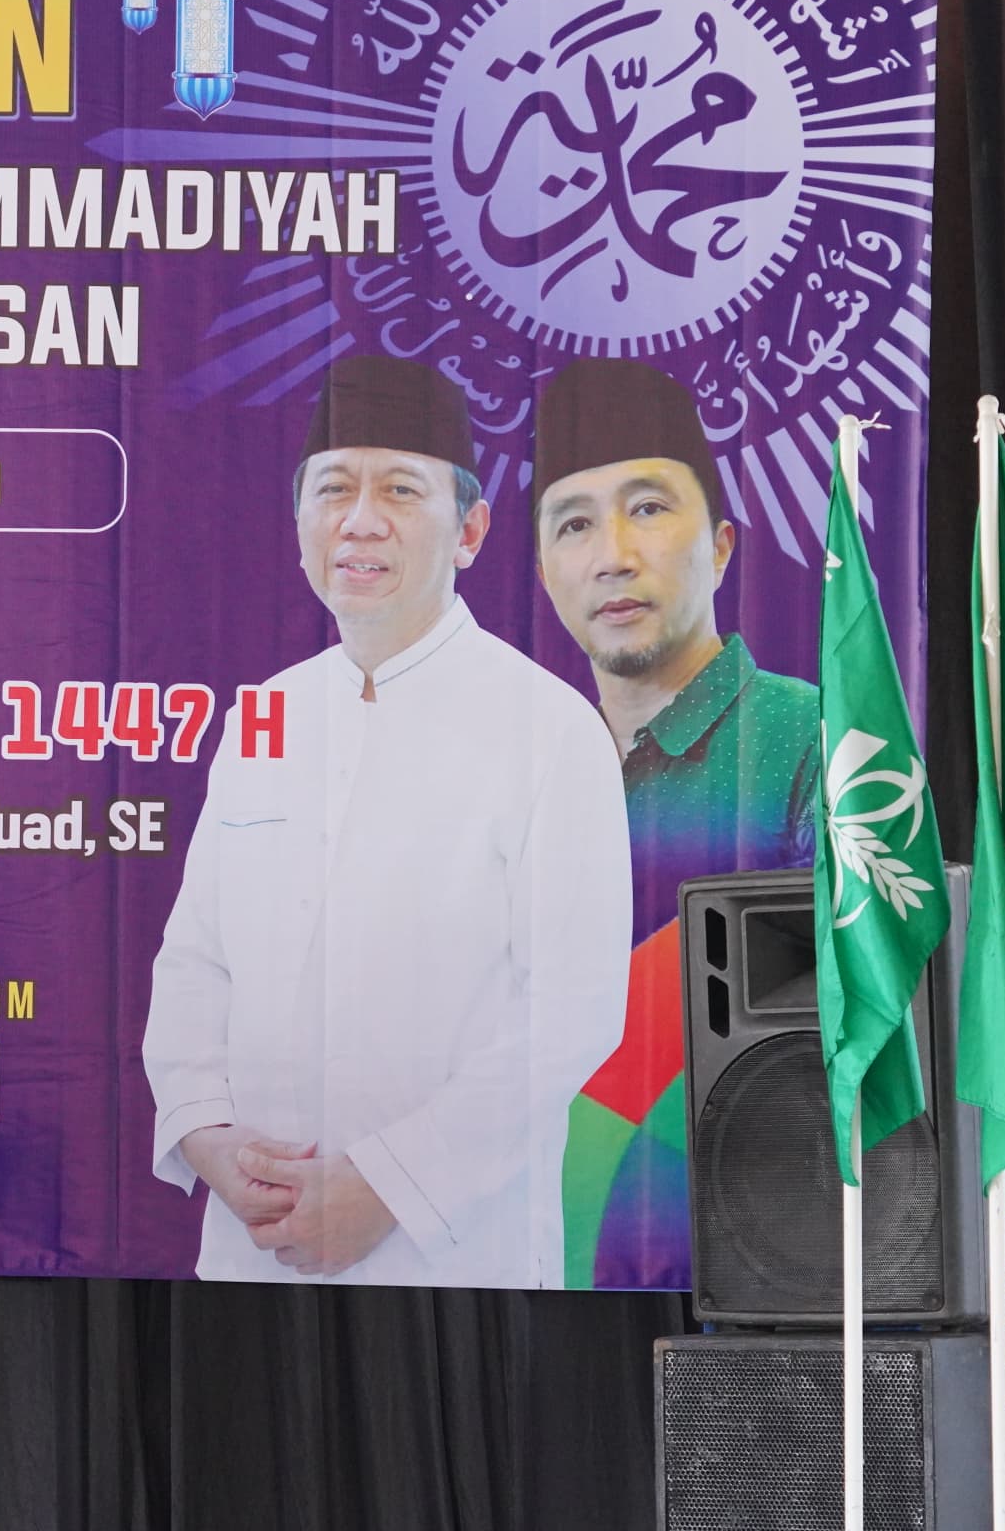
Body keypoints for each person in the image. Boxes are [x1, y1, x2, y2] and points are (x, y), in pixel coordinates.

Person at [142, 354, 630, 1286]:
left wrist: (387, 1189)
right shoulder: (267, 715)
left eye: (400, 489)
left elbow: (571, 1009)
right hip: (255, 1240)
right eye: (334, 488)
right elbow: (197, 959)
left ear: (470, 530)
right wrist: (208, 1136)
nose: (360, 521)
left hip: (452, 1252)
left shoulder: (550, 727)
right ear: (299, 525)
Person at [532, 358, 821, 1288]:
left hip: (764, 1248)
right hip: (539, 1244)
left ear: (723, 546)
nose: (612, 555)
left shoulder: (814, 739)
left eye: (649, 508)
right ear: (544, 571)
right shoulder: (519, 762)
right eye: (574, 524)